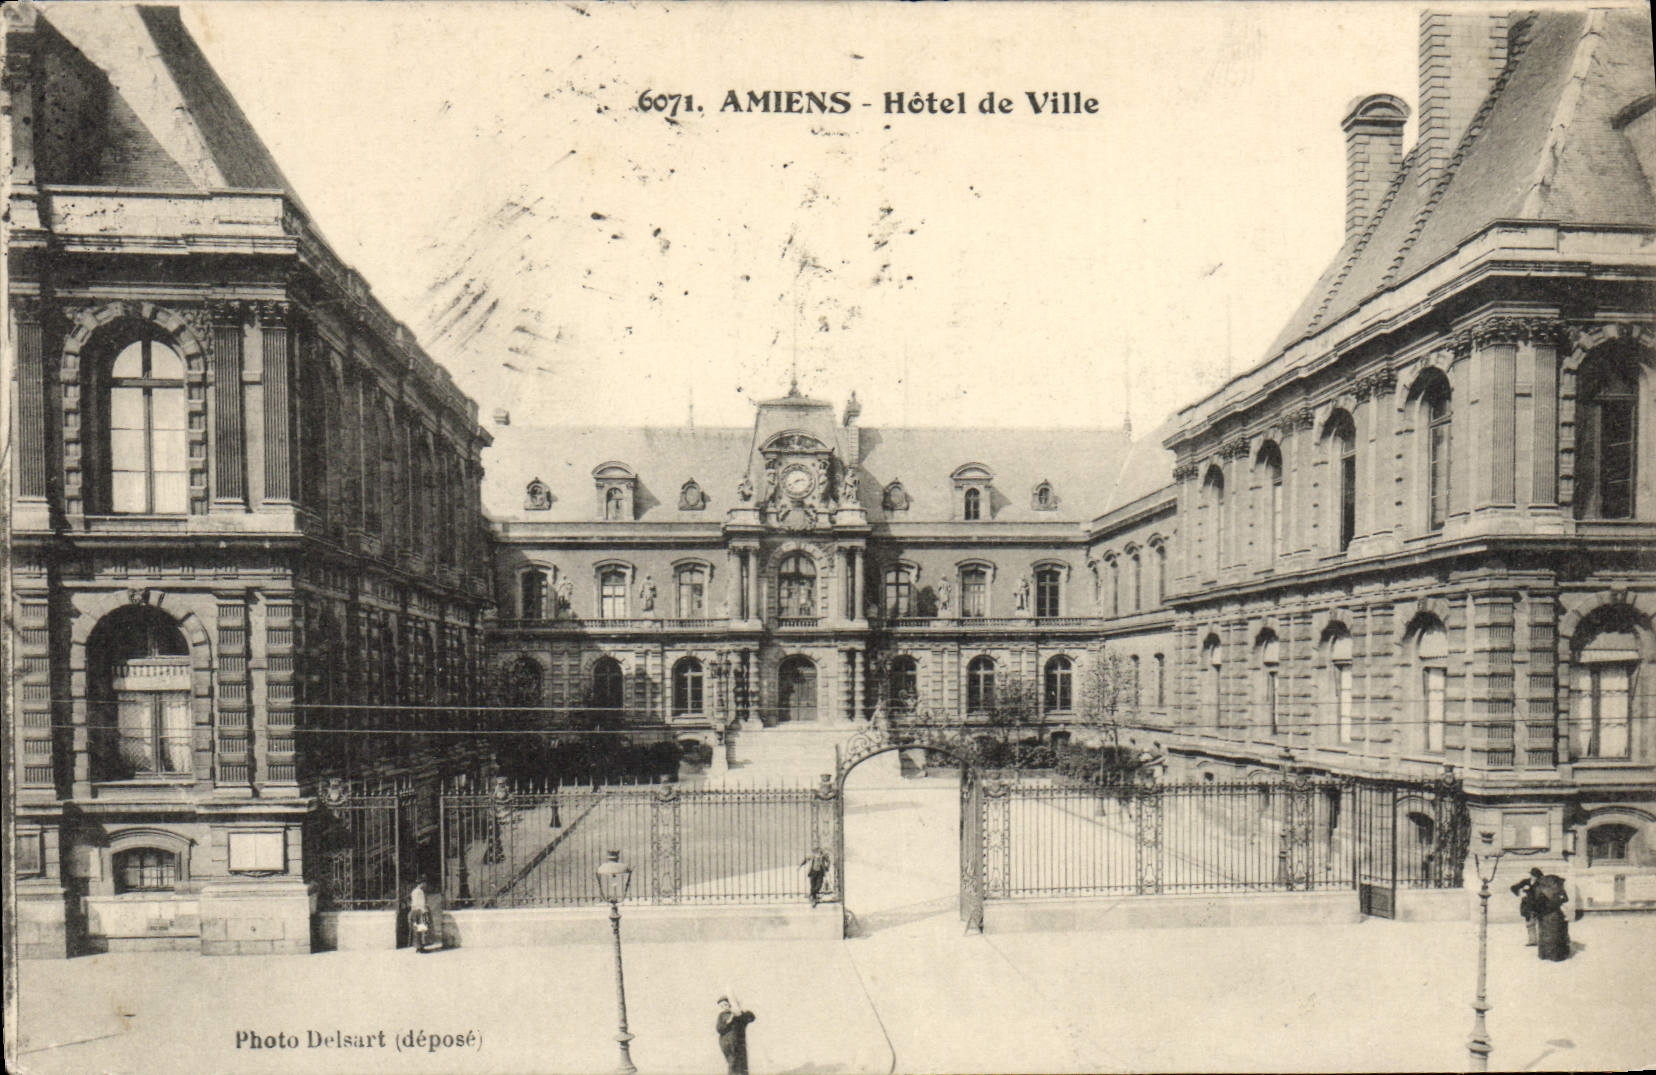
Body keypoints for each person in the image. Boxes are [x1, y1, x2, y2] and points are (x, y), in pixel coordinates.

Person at [1534, 872, 1571, 962]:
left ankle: (1545, 954)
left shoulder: (1540, 889)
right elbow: (1565, 899)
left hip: (1545, 916)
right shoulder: (1554, 890)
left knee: (1547, 935)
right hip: (1553, 915)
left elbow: (1565, 899)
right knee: (1554, 935)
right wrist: (1560, 900)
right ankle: (1555, 955)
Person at [716, 994, 757, 1075]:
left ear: (729, 1005)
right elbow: (719, 1028)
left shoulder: (739, 1015)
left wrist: (741, 1010)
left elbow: (751, 1017)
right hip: (729, 1044)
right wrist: (728, 1021)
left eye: (725, 1005)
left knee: (743, 1065)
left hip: (740, 1043)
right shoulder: (722, 1015)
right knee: (733, 1063)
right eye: (722, 1006)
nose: (724, 1007)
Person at [1510, 867, 1544, 947]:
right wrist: (1520, 893)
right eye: (1532, 875)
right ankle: (1532, 941)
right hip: (1528, 906)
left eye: (1536, 876)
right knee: (1530, 923)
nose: (1534, 877)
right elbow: (1513, 888)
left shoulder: (1541, 883)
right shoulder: (1525, 882)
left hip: (1539, 905)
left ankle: (1542, 941)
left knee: (1541, 923)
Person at [408, 880, 433, 954]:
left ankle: (418, 947)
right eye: (424, 883)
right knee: (421, 929)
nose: (425, 885)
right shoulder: (420, 892)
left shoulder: (413, 891)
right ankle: (421, 947)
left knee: (416, 930)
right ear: (421, 884)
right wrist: (425, 912)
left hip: (414, 911)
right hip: (419, 911)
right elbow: (421, 903)